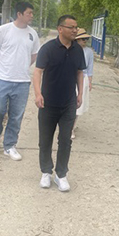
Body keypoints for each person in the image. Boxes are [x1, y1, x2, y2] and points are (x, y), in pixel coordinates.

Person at [33, 15, 86, 192]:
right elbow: (38, 72)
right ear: (60, 29)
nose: (75, 30)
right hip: (48, 103)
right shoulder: (48, 49)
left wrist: (80, 93)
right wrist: (38, 94)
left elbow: (80, 72)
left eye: (76, 27)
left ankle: (61, 174)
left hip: (68, 103)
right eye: (71, 27)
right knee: (45, 140)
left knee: (65, 140)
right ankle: (46, 172)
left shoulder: (78, 50)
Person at [0, 1, 40, 161]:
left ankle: (9, 146)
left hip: (22, 82)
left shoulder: (32, 34)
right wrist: (0, 68)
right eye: (29, 13)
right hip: (1, 79)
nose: (31, 16)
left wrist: (21, 66)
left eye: (32, 13)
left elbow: (34, 55)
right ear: (19, 14)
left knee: (16, 116)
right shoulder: (4, 30)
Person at [71, 28, 94, 139]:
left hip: (83, 78)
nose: (85, 41)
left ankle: (72, 127)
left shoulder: (89, 52)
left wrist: (90, 81)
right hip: (71, 77)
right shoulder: (71, 49)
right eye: (83, 39)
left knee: (78, 105)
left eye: (86, 39)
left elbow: (90, 68)